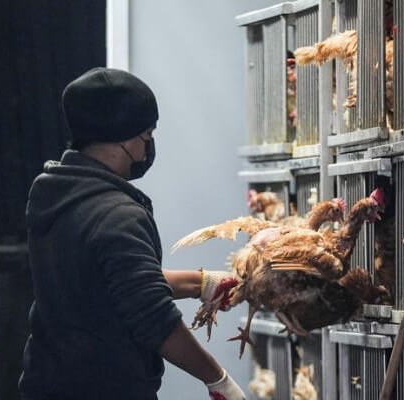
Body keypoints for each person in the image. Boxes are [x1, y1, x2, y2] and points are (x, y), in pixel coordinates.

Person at [18, 67, 246, 400]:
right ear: (124, 138)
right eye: (147, 136)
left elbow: (109, 282)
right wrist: (217, 378)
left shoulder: (56, 195)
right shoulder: (117, 216)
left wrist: (202, 284)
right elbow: (153, 318)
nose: (146, 150)